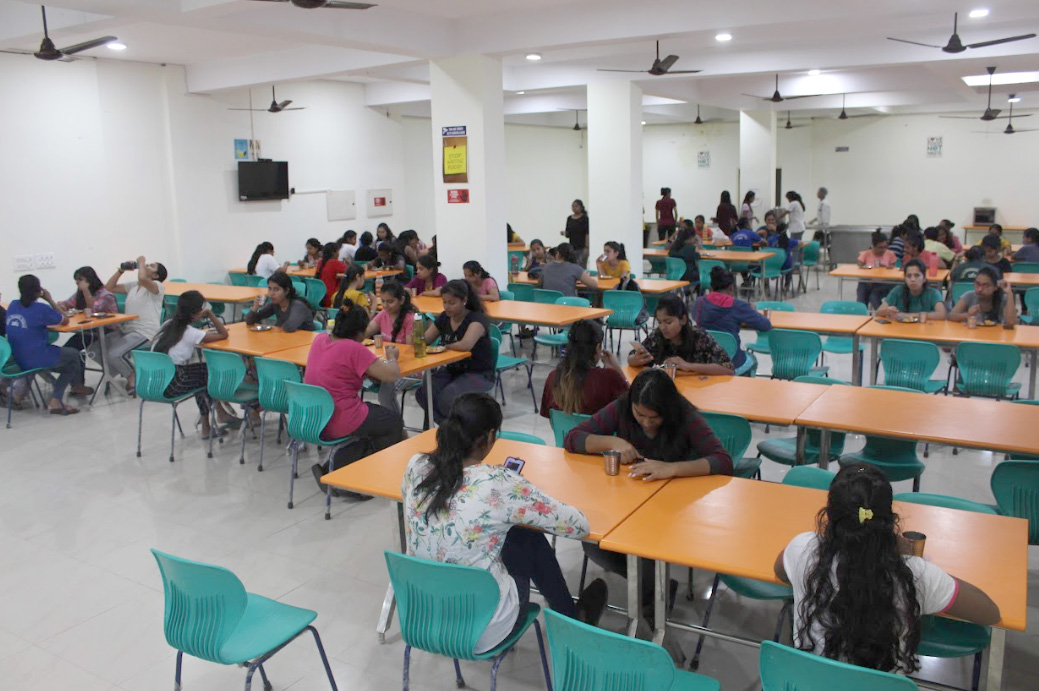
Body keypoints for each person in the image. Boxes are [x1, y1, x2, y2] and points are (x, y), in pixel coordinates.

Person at [402, 393, 608, 654]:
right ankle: (570, 619)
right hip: (482, 629)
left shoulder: (417, 465)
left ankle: (570, 617)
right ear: (490, 436)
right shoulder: (496, 483)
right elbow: (578, 526)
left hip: (426, 616)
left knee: (507, 534)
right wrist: (515, 490)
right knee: (528, 537)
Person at [775, 463, 1000, 675]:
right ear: (890, 521)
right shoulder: (914, 575)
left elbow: (781, 571)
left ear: (829, 516)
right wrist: (913, 562)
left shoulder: (803, 549)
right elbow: (989, 612)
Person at [565, 368, 732, 614]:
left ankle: (652, 601)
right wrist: (613, 441)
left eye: (654, 418)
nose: (646, 422)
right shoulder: (622, 407)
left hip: (671, 507)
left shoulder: (685, 415)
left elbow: (723, 461)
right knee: (593, 545)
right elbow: (573, 438)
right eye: (640, 415)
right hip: (628, 502)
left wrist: (672, 468)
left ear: (668, 411)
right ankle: (655, 591)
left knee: (641, 547)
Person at [305, 302, 404, 484]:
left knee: (376, 418)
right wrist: (392, 358)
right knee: (393, 422)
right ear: (360, 333)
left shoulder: (320, 339)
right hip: (339, 419)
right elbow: (391, 375)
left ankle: (342, 464)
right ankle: (361, 474)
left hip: (313, 417)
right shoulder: (353, 348)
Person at [151, 290, 234, 439]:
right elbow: (223, 334)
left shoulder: (167, 325)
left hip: (154, 382)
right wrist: (211, 314)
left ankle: (220, 413)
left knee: (203, 372)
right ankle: (209, 424)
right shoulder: (190, 332)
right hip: (172, 385)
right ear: (196, 312)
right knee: (207, 375)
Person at [5, 274, 88, 413]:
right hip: (36, 357)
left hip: (17, 357)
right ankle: (57, 399)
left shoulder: (13, 305)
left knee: (67, 361)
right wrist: (49, 299)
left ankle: (21, 394)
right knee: (74, 355)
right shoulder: (41, 308)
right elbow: (65, 320)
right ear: (38, 291)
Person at [415, 280, 496, 424]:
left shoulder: (476, 320)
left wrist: (443, 347)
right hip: (452, 370)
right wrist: (415, 329)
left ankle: (453, 429)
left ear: (464, 300)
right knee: (424, 393)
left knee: (447, 398)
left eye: (452, 303)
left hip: (477, 372)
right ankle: (449, 428)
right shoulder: (444, 318)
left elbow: (465, 345)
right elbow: (425, 340)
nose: (447, 307)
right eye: (444, 302)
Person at [104, 256, 168, 392]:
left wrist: (141, 262)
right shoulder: (134, 285)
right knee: (97, 350)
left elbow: (143, 279)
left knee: (113, 354)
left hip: (145, 332)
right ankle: (122, 371)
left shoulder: (157, 286)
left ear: (156, 276)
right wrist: (120, 271)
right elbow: (109, 288)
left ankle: (131, 375)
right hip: (127, 329)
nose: (147, 266)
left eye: (151, 266)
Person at [692, 265, 772, 374]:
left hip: (706, 361)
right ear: (731, 287)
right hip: (732, 362)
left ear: (712, 287)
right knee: (752, 359)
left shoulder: (699, 302)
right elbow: (766, 325)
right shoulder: (738, 306)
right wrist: (752, 311)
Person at [540, 320, 627, 418]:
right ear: (598, 347)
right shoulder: (609, 378)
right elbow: (633, 405)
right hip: (597, 428)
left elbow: (552, 419)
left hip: (565, 429)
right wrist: (618, 370)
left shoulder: (553, 377)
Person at [628, 295, 733, 375]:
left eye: (668, 322)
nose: (663, 327)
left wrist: (688, 366)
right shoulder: (657, 336)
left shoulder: (701, 338)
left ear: (683, 320)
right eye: (659, 322)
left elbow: (728, 369)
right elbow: (631, 358)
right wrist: (636, 359)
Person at [57, 266, 119, 391]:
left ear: (89, 280)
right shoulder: (79, 294)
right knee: (71, 349)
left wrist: (85, 290)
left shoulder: (105, 294)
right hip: (90, 330)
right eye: (76, 280)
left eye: (80, 280)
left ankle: (78, 384)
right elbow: (66, 303)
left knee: (75, 350)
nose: (77, 283)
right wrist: (62, 306)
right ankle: (77, 384)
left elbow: (93, 308)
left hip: (107, 329)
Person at [365, 281, 417, 414]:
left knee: (386, 393)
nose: (385, 305)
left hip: (408, 368)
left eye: (390, 301)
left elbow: (411, 350)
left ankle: (395, 425)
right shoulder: (384, 314)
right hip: (387, 363)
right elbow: (367, 331)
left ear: (401, 300)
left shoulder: (410, 318)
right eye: (383, 301)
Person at [876, 259, 947, 321]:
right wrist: (887, 311)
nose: (912, 279)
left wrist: (908, 316)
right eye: (909, 276)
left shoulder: (933, 293)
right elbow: (878, 312)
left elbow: (942, 315)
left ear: (924, 278)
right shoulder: (897, 291)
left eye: (917, 275)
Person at [245, 271, 314, 332]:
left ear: (286, 291)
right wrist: (255, 308)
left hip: (305, 341)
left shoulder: (298, 306)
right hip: (287, 339)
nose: (271, 293)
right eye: (270, 289)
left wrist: (275, 326)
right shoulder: (276, 304)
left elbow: (289, 327)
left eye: (276, 289)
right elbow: (250, 321)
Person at [948, 266, 1016, 326]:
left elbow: (1011, 322)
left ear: (995, 287)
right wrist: (968, 315)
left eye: (985, 285)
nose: (980, 289)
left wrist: (1009, 293)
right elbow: (951, 316)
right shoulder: (969, 296)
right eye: (977, 284)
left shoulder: (1003, 299)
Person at [314, 243, 347, 308]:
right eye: (338, 252)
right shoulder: (335, 263)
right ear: (333, 253)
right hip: (331, 299)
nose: (339, 254)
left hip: (320, 298)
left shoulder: (320, 262)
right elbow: (351, 271)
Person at [562, 199, 590, 267]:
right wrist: (564, 233)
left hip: (582, 247)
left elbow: (587, 233)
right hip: (572, 247)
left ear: (581, 207)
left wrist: (586, 247)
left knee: (581, 265)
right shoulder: (569, 218)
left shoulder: (584, 218)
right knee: (572, 266)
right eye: (573, 206)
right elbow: (568, 233)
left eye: (576, 206)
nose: (574, 208)